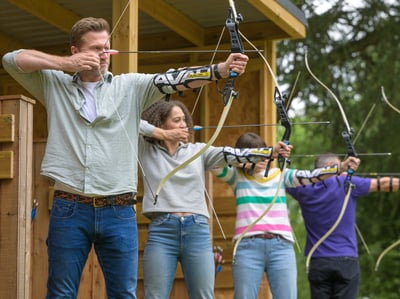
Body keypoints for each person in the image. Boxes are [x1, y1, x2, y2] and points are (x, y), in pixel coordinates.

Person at [2, 17, 249, 299]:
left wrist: (219, 70)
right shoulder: (54, 83)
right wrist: (64, 65)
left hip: (118, 210)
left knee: (123, 294)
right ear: (76, 52)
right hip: (69, 207)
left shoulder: (131, 86)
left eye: (106, 48)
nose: (103, 55)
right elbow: (11, 59)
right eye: (95, 49)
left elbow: (172, 79)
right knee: (60, 293)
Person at [138, 100, 292, 299]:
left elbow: (233, 154)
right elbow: (128, 122)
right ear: (161, 123)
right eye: (176, 120)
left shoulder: (198, 151)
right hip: (161, 232)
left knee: (204, 295)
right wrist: (163, 135)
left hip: (197, 231)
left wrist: (270, 152)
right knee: (154, 295)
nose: (184, 125)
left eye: (185, 120)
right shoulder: (145, 150)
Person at [211, 133, 360, 299]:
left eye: (263, 152)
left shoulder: (281, 174)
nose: (261, 158)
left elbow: (310, 176)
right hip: (247, 247)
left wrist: (340, 168)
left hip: (280, 247)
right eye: (255, 154)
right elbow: (213, 162)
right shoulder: (236, 176)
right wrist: (242, 162)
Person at [286, 152, 398, 299]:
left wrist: (282, 161)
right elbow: (383, 184)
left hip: (318, 262)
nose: (343, 171)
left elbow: (278, 179)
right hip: (346, 260)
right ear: (330, 168)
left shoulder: (303, 189)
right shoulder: (346, 183)